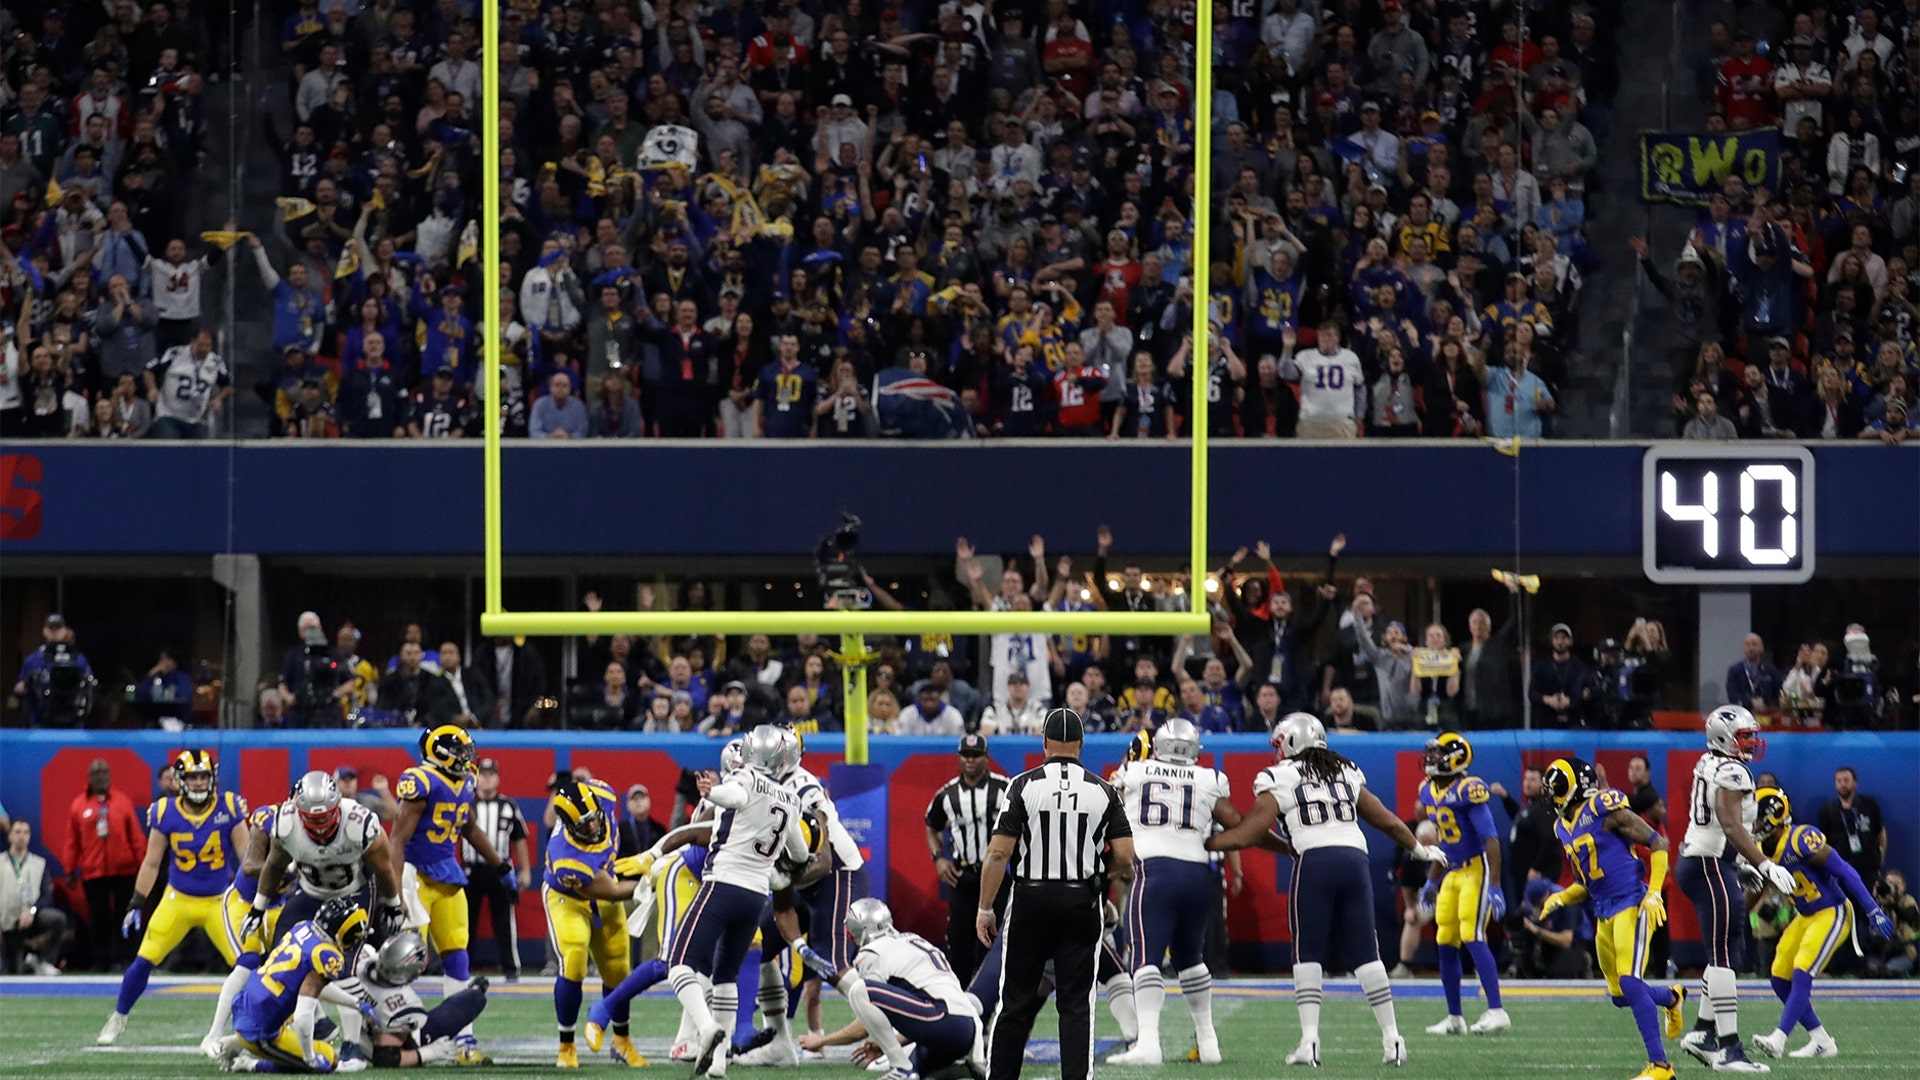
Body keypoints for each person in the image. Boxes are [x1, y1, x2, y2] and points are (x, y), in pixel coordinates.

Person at [1209, 713, 1446, 1065]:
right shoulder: (1345, 770)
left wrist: (1202, 843)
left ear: (1288, 742)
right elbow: (1387, 819)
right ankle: (1393, 1038)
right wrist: (1420, 849)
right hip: (1354, 859)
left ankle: (1310, 1041)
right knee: (1368, 953)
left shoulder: (1279, 776)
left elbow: (1248, 833)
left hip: (1315, 861)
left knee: (1308, 952)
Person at [974, 708, 1136, 1080]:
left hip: (1031, 897)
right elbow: (1125, 857)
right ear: (1081, 744)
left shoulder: (1022, 785)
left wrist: (985, 908)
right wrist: (1098, 875)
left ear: (1044, 742)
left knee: (1014, 1003)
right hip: (1081, 899)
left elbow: (998, 853)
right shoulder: (1103, 790)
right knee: (1077, 1005)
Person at [665, 726, 811, 1078]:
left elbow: (734, 795)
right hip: (755, 896)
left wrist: (712, 791)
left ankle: (705, 1029)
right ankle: (718, 1063)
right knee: (726, 976)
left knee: (679, 964)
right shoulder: (791, 798)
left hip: (723, 884)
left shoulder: (744, 778)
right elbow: (801, 852)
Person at [1538, 758, 1687, 1080]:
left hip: (1632, 902)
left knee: (1631, 983)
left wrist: (1655, 892)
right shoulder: (1562, 826)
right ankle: (1672, 997)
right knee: (1620, 996)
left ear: (1575, 786)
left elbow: (1658, 843)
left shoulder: (1603, 807)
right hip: (1603, 910)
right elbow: (1586, 882)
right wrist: (1562, 897)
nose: (1551, 795)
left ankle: (1661, 1067)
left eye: (1556, 788)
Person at [1106, 718, 1244, 1064]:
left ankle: (1148, 1044)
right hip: (1197, 872)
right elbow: (1238, 824)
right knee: (1190, 958)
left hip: (1155, 871)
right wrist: (1207, 841)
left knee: (1144, 957)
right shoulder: (1208, 777)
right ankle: (1209, 1042)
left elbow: (1111, 809)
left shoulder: (1135, 771)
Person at [98, 751, 250, 1046]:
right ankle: (118, 1016)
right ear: (181, 780)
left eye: (203, 776)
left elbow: (247, 860)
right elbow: (152, 862)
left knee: (249, 966)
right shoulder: (164, 811)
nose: (198, 783)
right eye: (193, 777)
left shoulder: (229, 806)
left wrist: (255, 898)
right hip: (177, 898)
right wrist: (136, 901)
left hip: (220, 900)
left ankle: (259, 1024)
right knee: (144, 959)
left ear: (212, 778)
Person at [1676, 706, 1794, 1072]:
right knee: (1725, 954)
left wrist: (1740, 862)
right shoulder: (1732, 769)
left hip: (1706, 862)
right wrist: (1765, 863)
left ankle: (1702, 1033)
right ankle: (1730, 1049)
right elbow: (1729, 824)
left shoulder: (1708, 762)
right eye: (1744, 736)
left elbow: (1719, 823)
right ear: (1724, 737)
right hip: (1709, 865)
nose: (1751, 742)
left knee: (1727, 951)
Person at [1749, 788, 1895, 1060]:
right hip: (1804, 915)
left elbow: (1844, 871)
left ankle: (1779, 1038)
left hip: (1832, 912)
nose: (1752, 823)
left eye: (1757, 817)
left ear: (1773, 816)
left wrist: (1872, 909)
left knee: (1802, 968)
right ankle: (1822, 1041)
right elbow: (1755, 888)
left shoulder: (1801, 838)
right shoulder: (1759, 849)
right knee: (1779, 975)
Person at [389, 725, 510, 1034]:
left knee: (458, 955)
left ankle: (461, 1038)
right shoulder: (422, 782)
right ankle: (397, 1032)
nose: (467, 758)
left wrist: (501, 866)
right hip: (414, 874)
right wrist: (395, 892)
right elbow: (397, 841)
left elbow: (469, 828)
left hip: (447, 875)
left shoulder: (464, 782)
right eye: (460, 752)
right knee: (405, 960)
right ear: (440, 755)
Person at [799, 898, 987, 1080]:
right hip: (965, 1029)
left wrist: (822, 1041)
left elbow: (862, 1027)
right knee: (920, 1072)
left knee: (859, 990)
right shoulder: (914, 940)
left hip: (939, 1018)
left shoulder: (871, 953)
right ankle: (964, 1070)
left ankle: (900, 1068)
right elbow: (920, 1017)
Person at [541, 779, 647, 1068]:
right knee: (575, 958)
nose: (592, 826)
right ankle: (566, 1046)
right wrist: (649, 882)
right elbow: (612, 892)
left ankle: (623, 1042)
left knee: (619, 968)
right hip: (569, 897)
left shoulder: (603, 794)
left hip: (603, 880)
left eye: (593, 818)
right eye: (583, 824)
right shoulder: (567, 858)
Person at [242, 771, 404, 956]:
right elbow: (274, 866)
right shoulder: (285, 824)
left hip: (353, 893)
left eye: (326, 817)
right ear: (298, 810)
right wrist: (258, 908)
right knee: (279, 954)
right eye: (313, 819)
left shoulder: (360, 824)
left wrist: (393, 904)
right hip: (310, 892)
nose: (321, 826)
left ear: (338, 806)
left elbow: (383, 868)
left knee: (348, 962)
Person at [1415, 732, 1510, 1034]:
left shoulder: (1469, 789)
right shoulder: (1430, 791)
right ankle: (1454, 1017)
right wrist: (1432, 879)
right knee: (1445, 939)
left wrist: (1494, 884)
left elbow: (1491, 840)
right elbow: (1444, 841)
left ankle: (1497, 1010)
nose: (1431, 759)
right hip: (1451, 871)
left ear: (1455, 758)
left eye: (1438, 753)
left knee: (1472, 934)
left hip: (1475, 870)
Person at [220, 897, 368, 1074]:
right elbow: (303, 1014)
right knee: (329, 1060)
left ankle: (236, 1043)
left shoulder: (303, 927)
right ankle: (247, 1063)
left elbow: (312, 985)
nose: (356, 937)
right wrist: (309, 1057)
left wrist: (355, 1003)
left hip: (249, 1002)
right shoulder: (327, 955)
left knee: (288, 1006)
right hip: (261, 1029)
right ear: (339, 931)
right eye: (354, 931)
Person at [333, 929, 491, 1067]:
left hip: (346, 1031)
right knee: (474, 998)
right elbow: (387, 1058)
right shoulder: (403, 1004)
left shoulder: (359, 956)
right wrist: (429, 1053)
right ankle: (476, 990)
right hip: (377, 1044)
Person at [923, 734, 1009, 983]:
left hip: (997, 876)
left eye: (976, 756)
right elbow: (931, 825)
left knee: (994, 947)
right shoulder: (947, 794)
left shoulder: (1004, 788)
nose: (971, 761)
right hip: (964, 876)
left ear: (986, 758)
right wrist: (938, 857)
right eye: (966, 756)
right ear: (959, 758)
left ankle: (991, 1005)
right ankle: (961, 1004)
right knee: (959, 946)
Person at [63, 758, 145, 972]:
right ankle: (101, 959)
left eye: (104, 772)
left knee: (124, 916)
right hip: (94, 871)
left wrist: (142, 865)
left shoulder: (122, 801)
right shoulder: (79, 805)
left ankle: (127, 958)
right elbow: (73, 841)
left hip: (124, 870)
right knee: (98, 918)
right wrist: (70, 869)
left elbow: (135, 836)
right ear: (89, 777)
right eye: (96, 773)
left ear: (110, 776)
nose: (101, 776)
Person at [464, 758, 530, 982]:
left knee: (504, 922)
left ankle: (511, 968)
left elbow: (520, 838)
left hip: (500, 871)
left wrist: (525, 870)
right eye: (483, 774)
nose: (487, 778)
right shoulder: (466, 804)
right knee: (465, 921)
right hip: (471, 870)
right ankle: (461, 968)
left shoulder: (509, 806)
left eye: (491, 774)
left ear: (498, 778)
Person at [2, 819, 67, 975]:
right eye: (17, 832)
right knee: (12, 971)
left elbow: (46, 896)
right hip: (5, 920)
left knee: (57, 919)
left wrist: (31, 911)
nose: (21, 836)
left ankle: (44, 961)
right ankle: (26, 962)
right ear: (10, 836)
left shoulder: (39, 863)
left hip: (30, 919)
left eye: (26, 832)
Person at [11, 614, 96, 727]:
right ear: (44, 631)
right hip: (41, 720)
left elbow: (91, 685)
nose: (55, 632)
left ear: (65, 630)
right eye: (51, 628)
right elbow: (19, 689)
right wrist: (22, 687)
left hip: (72, 720)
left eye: (58, 628)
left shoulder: (77, 658)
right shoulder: (34, 659)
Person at [1815, 767, 1885, 887]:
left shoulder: (1869, 804)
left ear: (1855, 783)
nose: (1842, 784)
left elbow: (1880, 831)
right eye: (1839, 781)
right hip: (1841, 870)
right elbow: (1823, 842)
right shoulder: (1827, 810)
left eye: (1846, 780)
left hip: (1869, 869)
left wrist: (1881, 857)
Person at [1532, 623, 1594, 727]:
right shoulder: (1541, 666)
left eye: (1564, 638)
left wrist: (1570, 701)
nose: (1560, 642)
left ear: (1570, 641)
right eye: (1556, 638)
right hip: (1546, 722)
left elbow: (1587, 691)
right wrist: (1548, 700)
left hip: (1573, 722)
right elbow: (1532, 692)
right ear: (1552, 641)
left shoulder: (1580, 667)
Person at [1726, 635, 1782, 709]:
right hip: (1744, 713)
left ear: (1762, 648)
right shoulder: (1734, 671)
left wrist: (1767, 704)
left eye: (1754, 644)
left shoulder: (1770, 670)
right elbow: (1732, 696)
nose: (1750, 648)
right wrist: (1751, 703)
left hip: (1767, 712)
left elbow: (1779, 692)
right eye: (1747, 644)